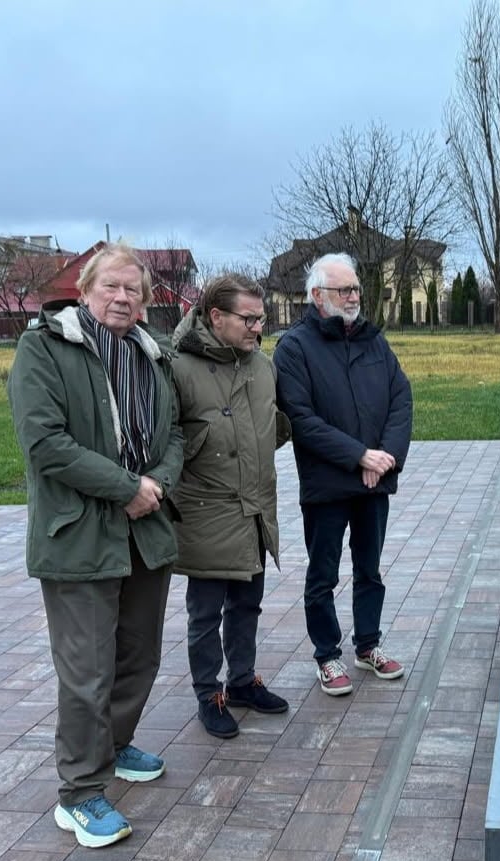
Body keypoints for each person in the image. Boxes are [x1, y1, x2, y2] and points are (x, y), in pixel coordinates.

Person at [7, 244, 183, 848]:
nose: (122, 297)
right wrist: (127, 488)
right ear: (85, 290)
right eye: (110, 286)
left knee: (140, 655)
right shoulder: (44, 348)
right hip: (79, 535)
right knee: (86, 671)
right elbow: (45, 443)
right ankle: (80, 792)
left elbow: (177, 432)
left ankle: (113, 745)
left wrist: (158, 483)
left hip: (145, 531)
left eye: (133, 290)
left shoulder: (152, 355)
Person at [274, 252, 411, 695]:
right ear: (317, 296)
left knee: (369, 569)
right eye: (344, 290)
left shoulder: (374, 341)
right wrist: (359, 457)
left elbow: (400, 399)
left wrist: (385, 456)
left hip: (374, 482)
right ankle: (327, 655)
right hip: (328, 484)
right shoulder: (294, 347)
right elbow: (301, 418)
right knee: (324, 574)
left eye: (355, 289)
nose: (353, 297)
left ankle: (367, 644)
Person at [169, 274, 290, 738]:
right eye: (249, 318)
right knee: (205, 613)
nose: (257, 327)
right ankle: (209, 693)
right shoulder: (178, 367)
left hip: (254, 510)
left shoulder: (261, 365)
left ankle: (242, 681)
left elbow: (273, 426)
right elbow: (169, 438)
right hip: (205, 513)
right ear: (215, 317)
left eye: (261, 318)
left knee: (248, 604)